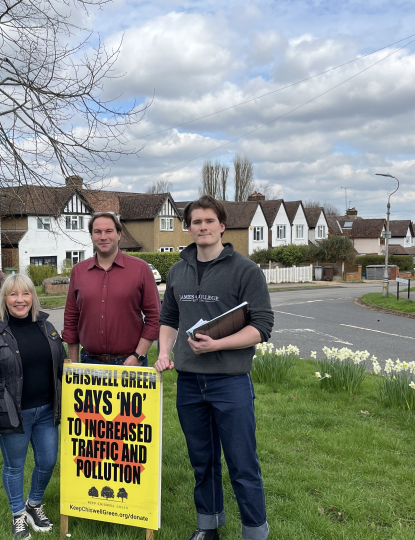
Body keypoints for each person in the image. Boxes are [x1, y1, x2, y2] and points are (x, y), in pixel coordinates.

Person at [155, 196, 274, 540]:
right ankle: (208, 527)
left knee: (242, 464)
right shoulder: (177, 270)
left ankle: (255, 532)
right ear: (188, 227)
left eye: (209, 221)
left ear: (222, 226)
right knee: (202, 462)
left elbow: (262, 326)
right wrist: (164, 351)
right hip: (190, 382)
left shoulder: (245, 270)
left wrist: (218, 344)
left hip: (230, 382)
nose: (202, 227)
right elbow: (169, 318)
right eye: (196, 222)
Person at [0, 274, 65, 540]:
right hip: (12, 413)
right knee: (14, 466)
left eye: (25, 294)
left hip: (47, 410)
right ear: (5, 298)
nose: (20, 300)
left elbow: (60, 366)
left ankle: (33, 505)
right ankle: (18, 515)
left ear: (32, 297)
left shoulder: (47, 328)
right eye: (13, 294)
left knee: (47, 461)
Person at [62, 211, 160, 366]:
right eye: (97, 232)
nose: (103, 237)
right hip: (88, 363)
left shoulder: (140, 269)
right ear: (92, 236)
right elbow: (71, 319)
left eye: (109, 231)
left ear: (119, 234)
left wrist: (138, 356)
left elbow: (155, 316)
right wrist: (74, 362)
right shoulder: (78, 271)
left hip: (130, 362)